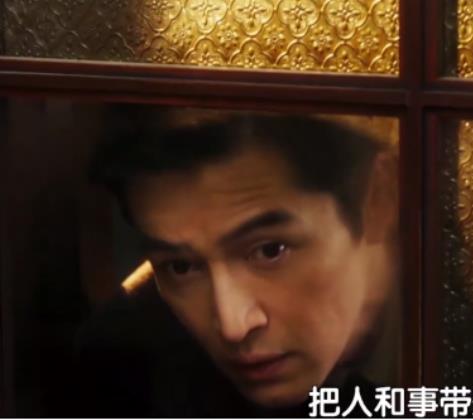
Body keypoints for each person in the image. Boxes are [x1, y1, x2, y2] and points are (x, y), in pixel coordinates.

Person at [76, 107, 400, 417]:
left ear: (377, 199)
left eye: (270, 250)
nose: (233, 327)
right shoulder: (124, 360)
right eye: (181, 267)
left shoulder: (432, 335)